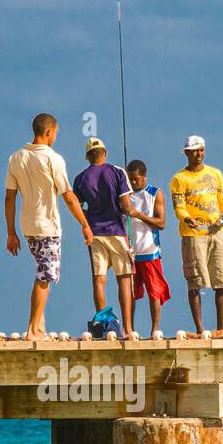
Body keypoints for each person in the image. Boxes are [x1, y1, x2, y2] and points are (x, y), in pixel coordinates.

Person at [4, 114, 93, 336]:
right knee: (45, 276)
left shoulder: (16, 158)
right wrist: (84, 224)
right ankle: (33, 328)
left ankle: (40, 326)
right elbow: (69, 196)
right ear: (48, 132)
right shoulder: (53, 159)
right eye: (55, 133)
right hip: (47, 227)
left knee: (42, 271)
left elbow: (9, 198)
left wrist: (11, 233)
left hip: (27, 226)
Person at [170, 135, 223, 335]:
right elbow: (179, 207)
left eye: (201, 150)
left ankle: (221, 328)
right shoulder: (179, 179)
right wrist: (187, 218)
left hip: (217, 230)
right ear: (187, 153)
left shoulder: (215, 173)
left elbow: (222, 197)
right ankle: (200, 328)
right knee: (195, 281)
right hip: (193, 234)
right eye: (194, 151)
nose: (198, 154)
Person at [72, 138, 135, 337]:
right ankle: (127, 328)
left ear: (88, 156)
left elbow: (76, 204)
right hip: (117, 231)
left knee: (99, 280)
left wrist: (86, 222)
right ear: (104, 152)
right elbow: (126, 205)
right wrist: (129, 210)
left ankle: (104, 326)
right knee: (124, 279)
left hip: (95, 233)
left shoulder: (81, 178)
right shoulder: (117, 172)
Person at [123, 159, 170, 336]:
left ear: (144, 176)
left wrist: (138, 214)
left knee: (155, 292)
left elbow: (161, 223)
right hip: (131, 254)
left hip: (150, 251)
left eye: (136, 179)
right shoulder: (125, 195)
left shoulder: (155, 193)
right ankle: (130, 329)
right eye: (130, 179)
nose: (133, 182)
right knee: (130, 293)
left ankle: (154, 329)